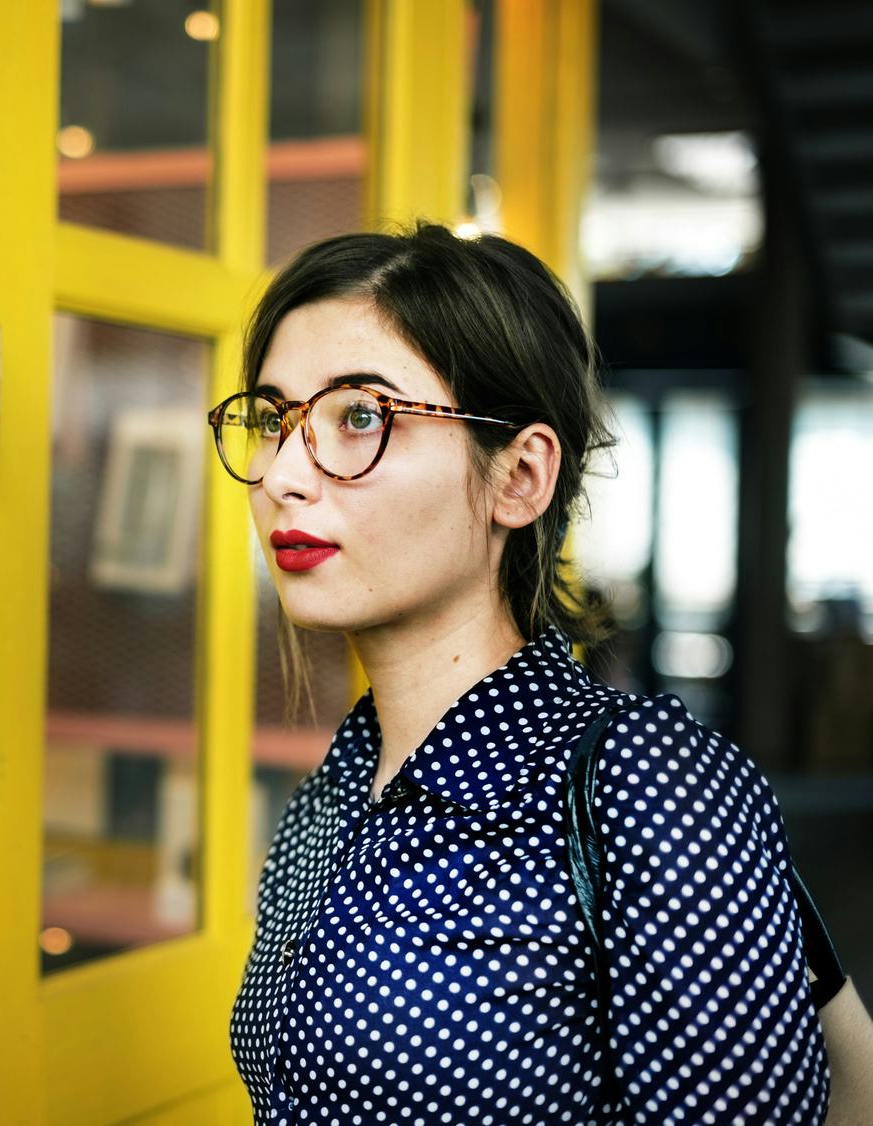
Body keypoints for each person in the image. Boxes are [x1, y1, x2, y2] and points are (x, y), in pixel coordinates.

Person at [215, 224, 830, 1123]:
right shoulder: (332, 796)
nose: (280, 475)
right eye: (274, 419)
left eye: (358, 417)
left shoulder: (645, 784)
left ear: (519, 476)